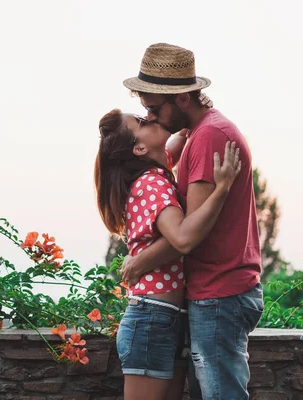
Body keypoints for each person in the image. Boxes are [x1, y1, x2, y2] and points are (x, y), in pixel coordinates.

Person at [121, 43, 264, 399]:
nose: (150, 117)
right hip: (218, 291)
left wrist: (139, 262)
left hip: (220, 291)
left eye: (153, 109)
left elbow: (189, 235)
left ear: (182, 98)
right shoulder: (199, 134)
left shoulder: (209, 137)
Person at [94, 108, 241, 400]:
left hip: (166, 317)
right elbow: (184, 238)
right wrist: (222, 189)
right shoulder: (151, 184)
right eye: (142, 122)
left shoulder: (156, 169)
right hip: (152, 317)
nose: (150, 117)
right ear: (139, 147)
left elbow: (172, 145)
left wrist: (182, 120)